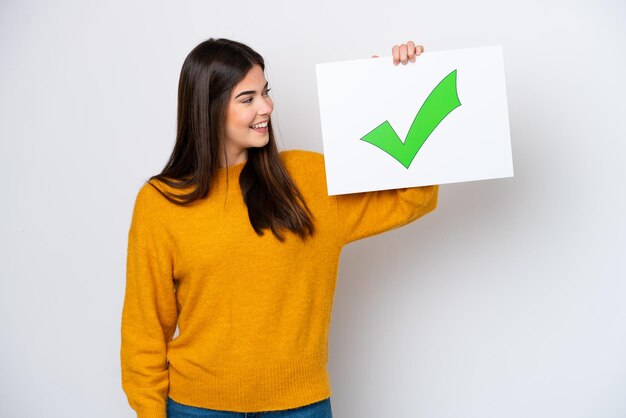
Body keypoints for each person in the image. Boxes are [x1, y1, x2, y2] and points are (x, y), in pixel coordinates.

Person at [121, 38, 438, 418]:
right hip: (195, 408)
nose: (266, 107)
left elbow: (413, 197)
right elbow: (144, 333)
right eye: (248, 98)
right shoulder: (160, 202)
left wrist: (396, 90)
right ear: (207, 108)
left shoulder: (308, 180)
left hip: (300, 407)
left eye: (266, 93)